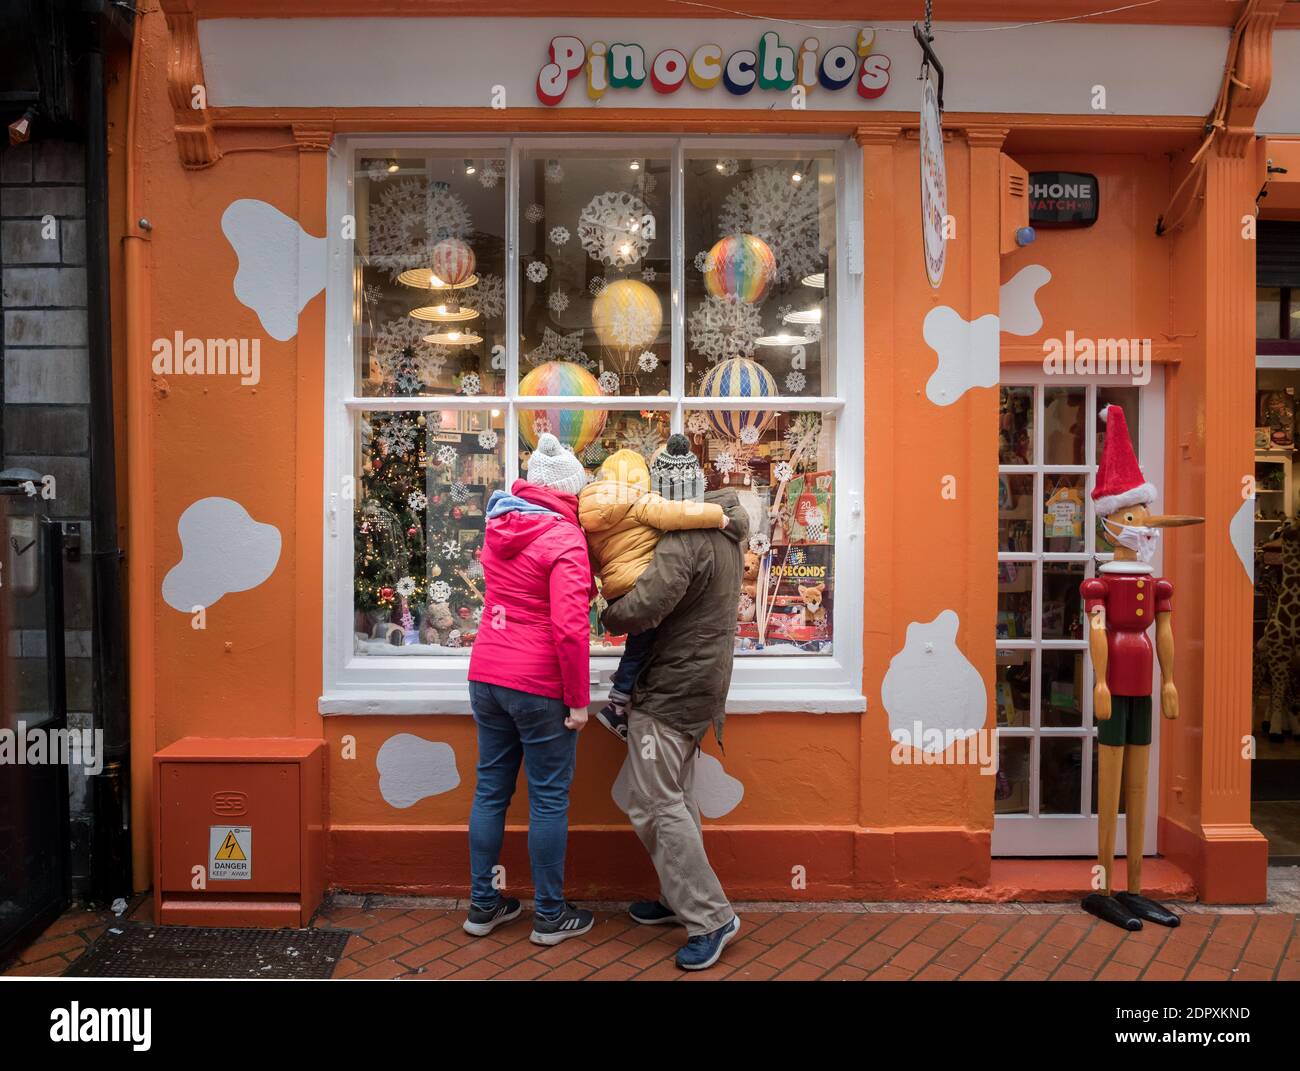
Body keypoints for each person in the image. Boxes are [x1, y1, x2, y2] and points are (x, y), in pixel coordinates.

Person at [601, 486, 749, 971]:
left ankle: (711, 917)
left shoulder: (685, 540)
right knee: (677, 798)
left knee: (654, 803)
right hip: (698, 684)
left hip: (671, 688)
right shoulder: (726, 533)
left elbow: (644, 607)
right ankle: (677, 896)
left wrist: (607, 611)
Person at [464, 433, 595, 946]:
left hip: (487, 673)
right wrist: (579, 699)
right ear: (568, 493)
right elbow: (569, 628)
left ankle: (483, 905)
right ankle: (550, 915)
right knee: (547, 799)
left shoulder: (499, 525)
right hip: (539, 685)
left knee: (490, 790)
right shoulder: (565, 539)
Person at [578, 435, 728, 740]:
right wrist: (718, 517)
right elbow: (676, 515)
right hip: (641, 583)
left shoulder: (590, 518)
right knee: (645, 644)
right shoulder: (641, 501)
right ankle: (617, 703)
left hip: (616, 587)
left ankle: (624, 684)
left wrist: (608, 578)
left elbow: (592, 561)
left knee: (639, 643)